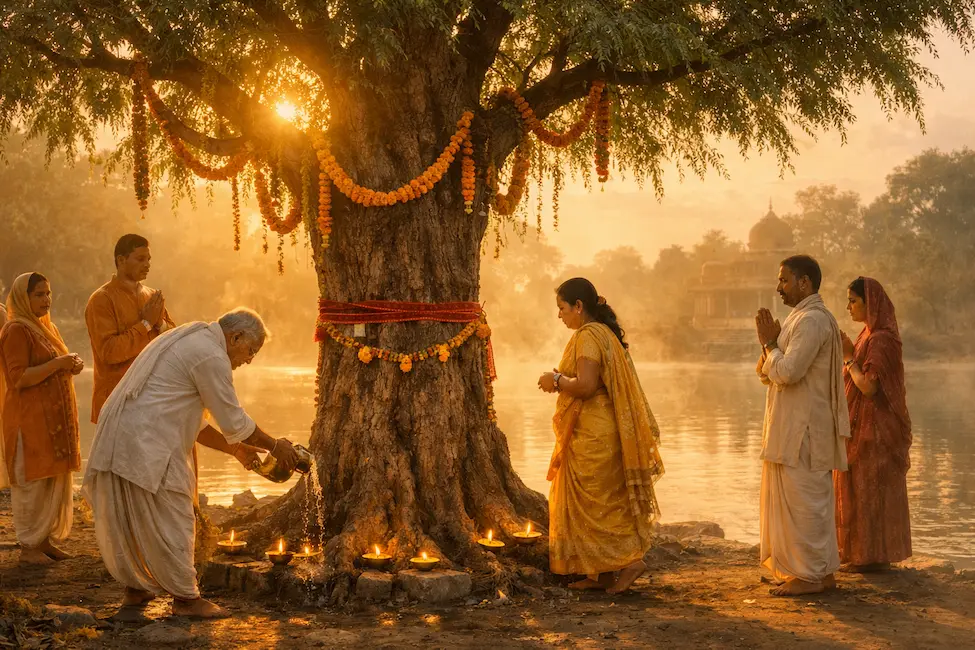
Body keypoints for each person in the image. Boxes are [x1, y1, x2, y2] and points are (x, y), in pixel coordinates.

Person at [83, 308, 299, 619]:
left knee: (136, 518)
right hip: (146, 439)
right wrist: (275, 445)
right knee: (177, 516)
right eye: (251, 350)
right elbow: (234, 420)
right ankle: (186, 599)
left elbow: (197, 423)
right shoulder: (210, 355)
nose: (249, 359)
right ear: (235, 336)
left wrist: (237, 451)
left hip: (127, 435)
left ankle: (136, 589)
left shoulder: (192, 338)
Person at [538, 278, 664, 595]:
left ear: (579, 307)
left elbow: (586, 386)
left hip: (594, 435)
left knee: (598, 504)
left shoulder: (589, 336)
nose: (560, 316)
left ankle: (631, 561)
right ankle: (599, 573)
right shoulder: (603, 334)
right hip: (599, 430)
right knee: (600, 502)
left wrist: (554, 379)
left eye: (562, 309)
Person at [755, 255, 850, 596]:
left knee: (806, 504)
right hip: (799, 427)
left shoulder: (811, 321)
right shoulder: (802, 319)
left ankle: (808, 576)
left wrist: (769, 345)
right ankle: (820, 573)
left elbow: (788, 371)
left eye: (784, 280)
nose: (778, 287)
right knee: (812, 502)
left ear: (804, 282)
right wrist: (769, 347)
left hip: (803, 431)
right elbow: (767, 372)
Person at [0, 273, 84, 564]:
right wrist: (59, 363)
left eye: (48, 293)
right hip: (28, 421)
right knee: (31, 484)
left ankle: (43, 540)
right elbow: (18, 377)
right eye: (39, 295)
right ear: (24, 298)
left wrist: (71, 365)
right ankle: (29, 547)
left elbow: (56, 363)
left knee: (51, 479)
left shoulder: (46, 328)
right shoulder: (15, 330)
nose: (46, 300)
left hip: (51, 423)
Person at [835, 277, 912, 571]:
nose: (848, 306)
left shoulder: (881, 339)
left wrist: (847, 359)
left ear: (871, 303)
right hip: (860, 427)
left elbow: (868, 386)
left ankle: (872, 557)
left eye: (853, 301)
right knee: (861, 489)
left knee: (871, 490)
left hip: (876, 430)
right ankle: (862, 555)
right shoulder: (865, 335)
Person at [85, 234, 175, 423]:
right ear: (121, 260)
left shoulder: (152, 296)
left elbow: (174, 342)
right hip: (117, 402)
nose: (147, 264)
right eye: (140, 259)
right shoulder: (102, 300)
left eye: (149, 259)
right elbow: (109, 352)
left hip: (153, 399)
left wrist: (160, 324)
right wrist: (145, 325)